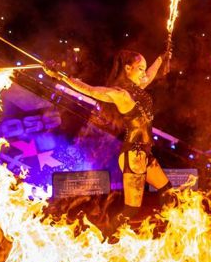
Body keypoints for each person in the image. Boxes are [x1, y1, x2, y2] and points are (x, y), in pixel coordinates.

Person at [43, 49, 173, 235]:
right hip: (134, 155)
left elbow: (151, 75)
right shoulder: (120, 94)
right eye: (140, 68)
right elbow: (89, 90)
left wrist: (161, 58)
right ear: (128, 68)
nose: (144, 73)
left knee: (169, 193)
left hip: (145, 153)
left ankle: (169, 230)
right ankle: (105, 236)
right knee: (131, 209)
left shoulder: (139, 89)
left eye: (144, 69)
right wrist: (61, 76)